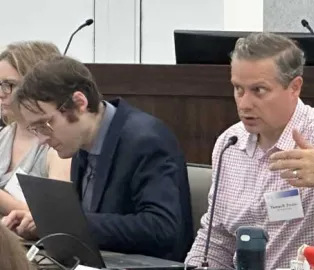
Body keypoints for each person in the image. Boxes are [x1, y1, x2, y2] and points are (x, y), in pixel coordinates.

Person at [185, 32, 314, 269]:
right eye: (238, 89)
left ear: (294, 87)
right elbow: (217, 239)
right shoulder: (230, 143)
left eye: (259, 90)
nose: (244, 104)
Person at [1, 55, 194, 261]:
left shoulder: (146, 140)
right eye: (35, 129)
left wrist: (68, 224)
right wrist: (45, 225)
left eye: (45, 125)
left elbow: (162, 228)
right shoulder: (79, 142)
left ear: (79, 103)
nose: (41, 140)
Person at [0, 41, 71, 215]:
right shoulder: (5, 134)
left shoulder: (58, 146)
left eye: (10, 85)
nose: (1, 93)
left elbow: (58, 217)